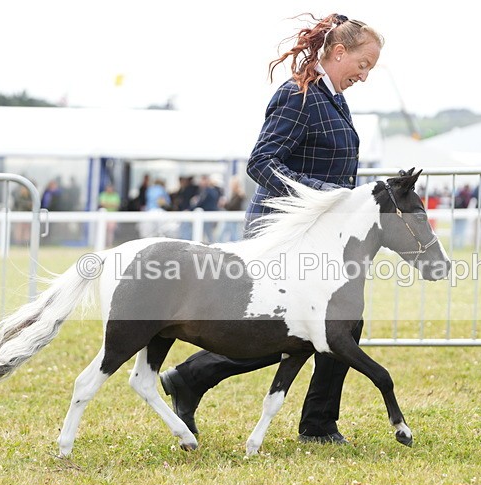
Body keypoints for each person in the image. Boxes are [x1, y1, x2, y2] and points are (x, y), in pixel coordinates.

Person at [159, 13, 383, 445]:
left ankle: (312, 422)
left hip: (316, 233)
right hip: (281, 228)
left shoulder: (331, 97)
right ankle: (197, 380)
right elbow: (261, 163)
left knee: (338, 323)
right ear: (339, 53)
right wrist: (325, 194)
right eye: (363, 64)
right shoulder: (298, 96)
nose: (365, 75)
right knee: (311, 326)